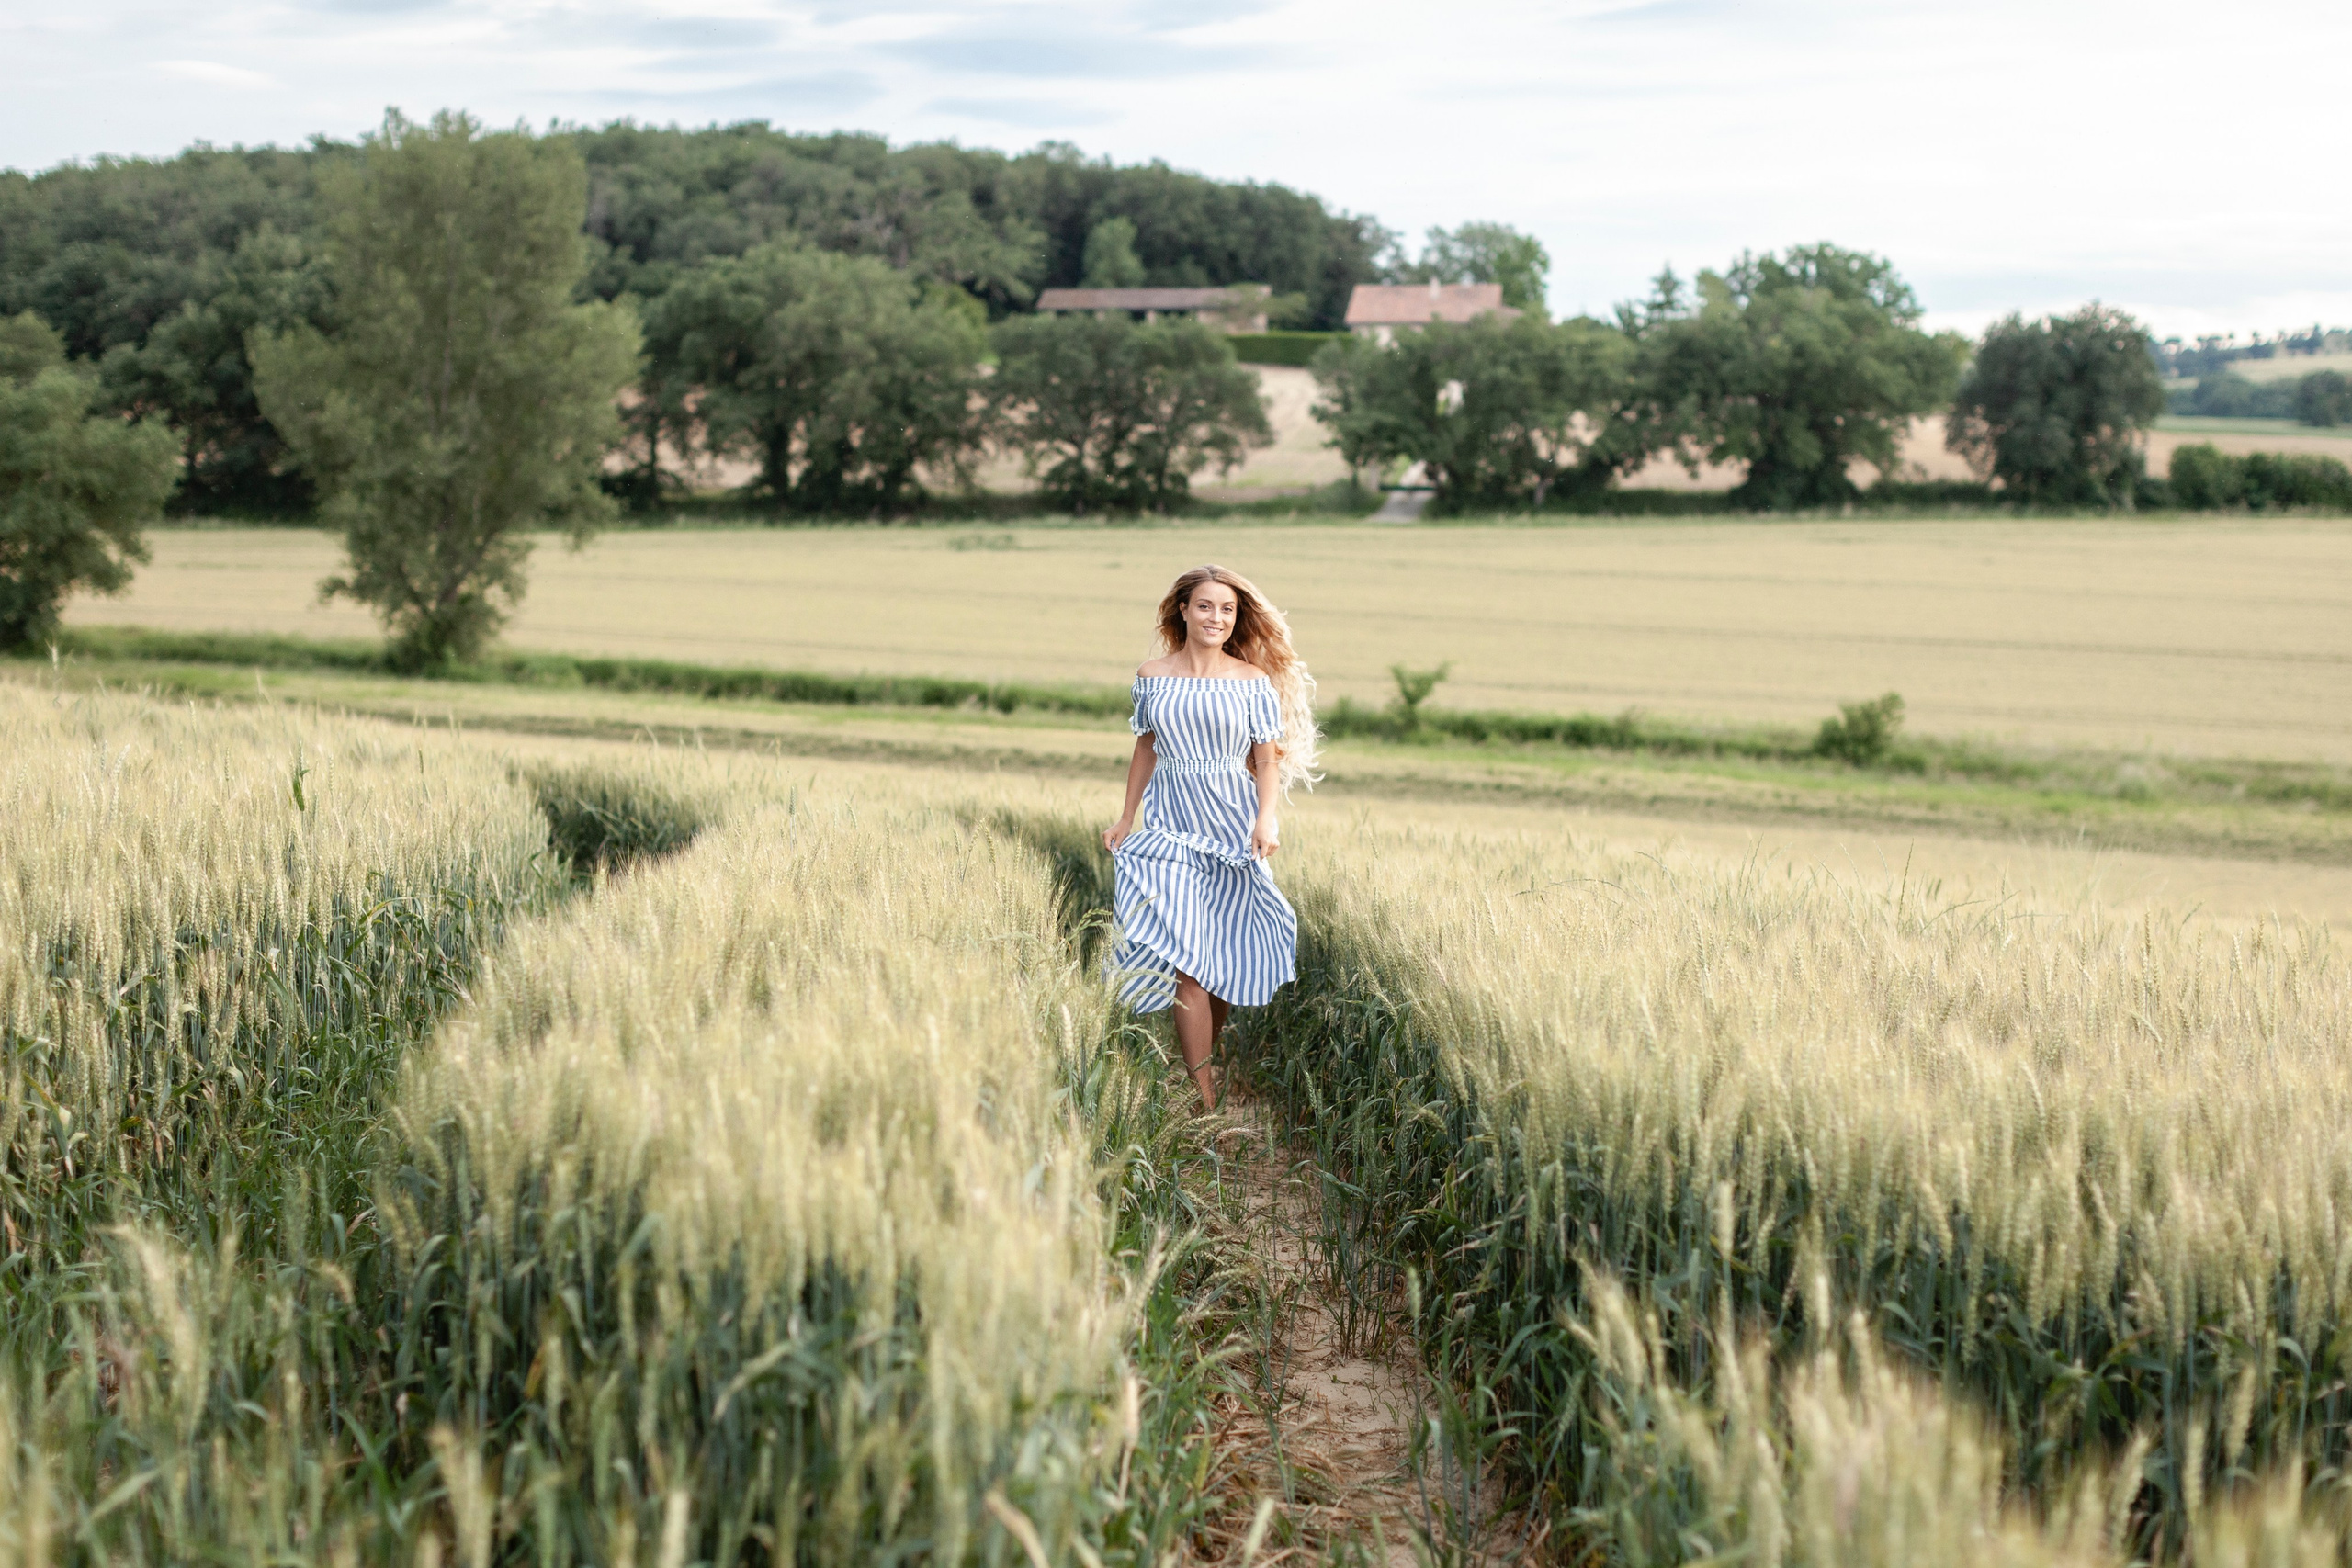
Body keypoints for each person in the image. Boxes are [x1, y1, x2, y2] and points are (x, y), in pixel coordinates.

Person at [1102, 564, 1317, 1108]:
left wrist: (1266, 818)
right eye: (1205, 606)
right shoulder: (1151, 674)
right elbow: (1146, 747)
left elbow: (1266, 759)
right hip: (1171, 825)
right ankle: (1204, 1093)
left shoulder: (1251, 682)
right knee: (1190, 959)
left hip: (1232, 825)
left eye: (1226, 609)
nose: (1215, 617)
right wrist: (1127, 818)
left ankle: (1205, 1057)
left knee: (1222, 954)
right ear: (1183, 610)